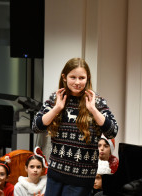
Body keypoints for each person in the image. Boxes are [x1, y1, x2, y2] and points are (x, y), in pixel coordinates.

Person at [32, 57, 118, 196]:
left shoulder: (97, 101)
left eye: (82, 78)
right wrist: (57, 108)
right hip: (55, 175)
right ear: (64, 77)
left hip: (81, 179)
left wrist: (93, 110)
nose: (77, 82)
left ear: (87, 78)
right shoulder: (56, 98)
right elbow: (36, 127)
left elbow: (112, 132)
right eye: (73, 77)